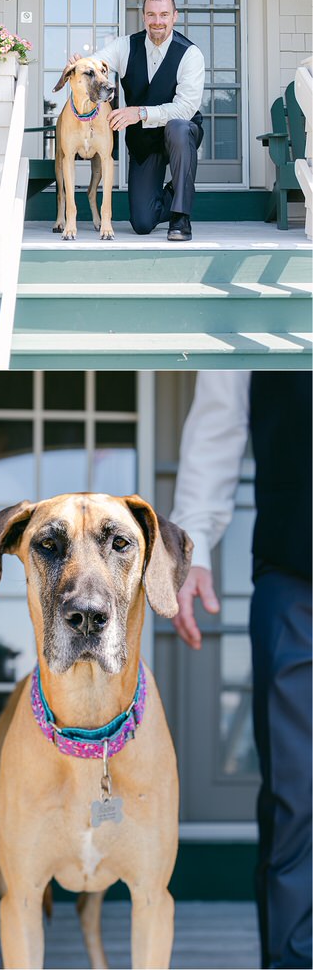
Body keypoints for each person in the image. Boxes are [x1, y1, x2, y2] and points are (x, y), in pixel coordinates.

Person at [170, 370, 312, 970]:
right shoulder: (254, 302)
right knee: (297, 790)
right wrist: (191, 544)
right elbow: (219, 423)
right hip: (295, 575)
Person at [68, 0, 205, 242]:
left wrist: (139, 112)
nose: (157, 21)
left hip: (180, 134)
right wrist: (83, 65)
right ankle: (179, 189)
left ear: (174, 17)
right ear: (144, 17)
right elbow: (98, 63)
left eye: (164, 14)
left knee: (179, 127)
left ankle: (180, 216)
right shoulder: (125, 46)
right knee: (142, 222)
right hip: (144, 142)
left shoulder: (190, 54)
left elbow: (185, 108)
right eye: (151, 15)